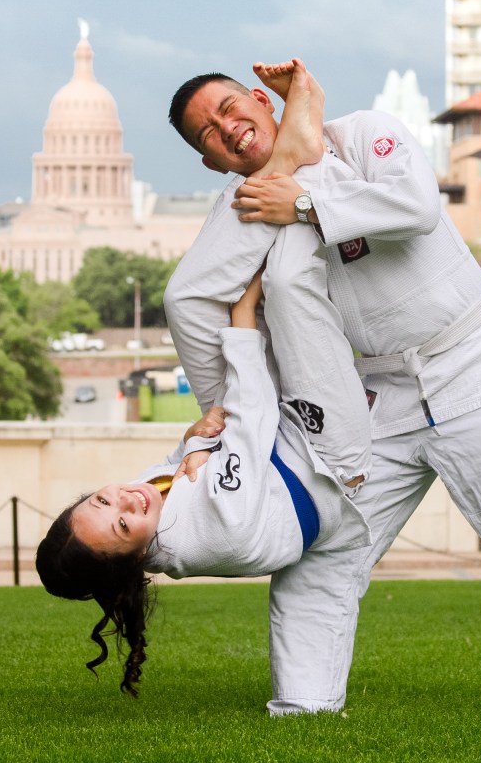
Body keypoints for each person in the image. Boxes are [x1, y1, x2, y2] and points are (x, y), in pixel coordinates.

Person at [165, 57, 481, 716]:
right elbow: (194, 298)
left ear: (265, 101)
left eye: (231, 106)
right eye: (208, 132)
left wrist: (301, 200)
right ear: (210, 162)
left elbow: (413, 207)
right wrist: (222, 409)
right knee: (321, 556)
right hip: (373, 403)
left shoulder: (363, 135)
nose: (228, 126)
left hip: (473, 366)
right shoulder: (240, 208)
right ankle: (304, 708)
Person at [35, 267, 373, 697]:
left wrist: (193, 440)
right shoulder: (215, 528)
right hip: (323, 457)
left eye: (101, 500)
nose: (126, 501)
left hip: (274, 448)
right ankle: (311, 217)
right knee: (287, 280)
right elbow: (251, 419)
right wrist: (243, 313)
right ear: (137, 557)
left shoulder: (145, 507)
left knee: (184, 301)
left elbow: (181, 463)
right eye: (121, 525)